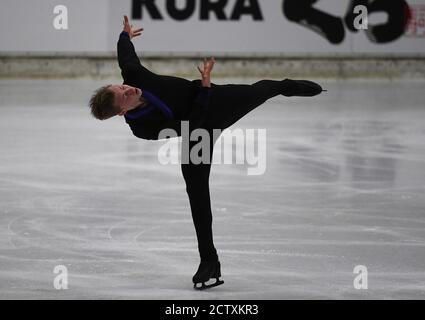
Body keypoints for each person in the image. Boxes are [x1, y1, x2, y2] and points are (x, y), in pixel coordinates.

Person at [89, 15, 324, 290]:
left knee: (263, 89)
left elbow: (126, 58)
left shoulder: (134, 77)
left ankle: (288, 86)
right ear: (123, 112)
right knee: (197, 193)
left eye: (121, 87)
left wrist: (124, 35)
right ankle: (209, 261)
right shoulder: (142, 127)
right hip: (196, 128)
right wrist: (204, 86)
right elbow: (192, 125)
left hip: (217, 103)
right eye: (124, 95)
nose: (128, 89)